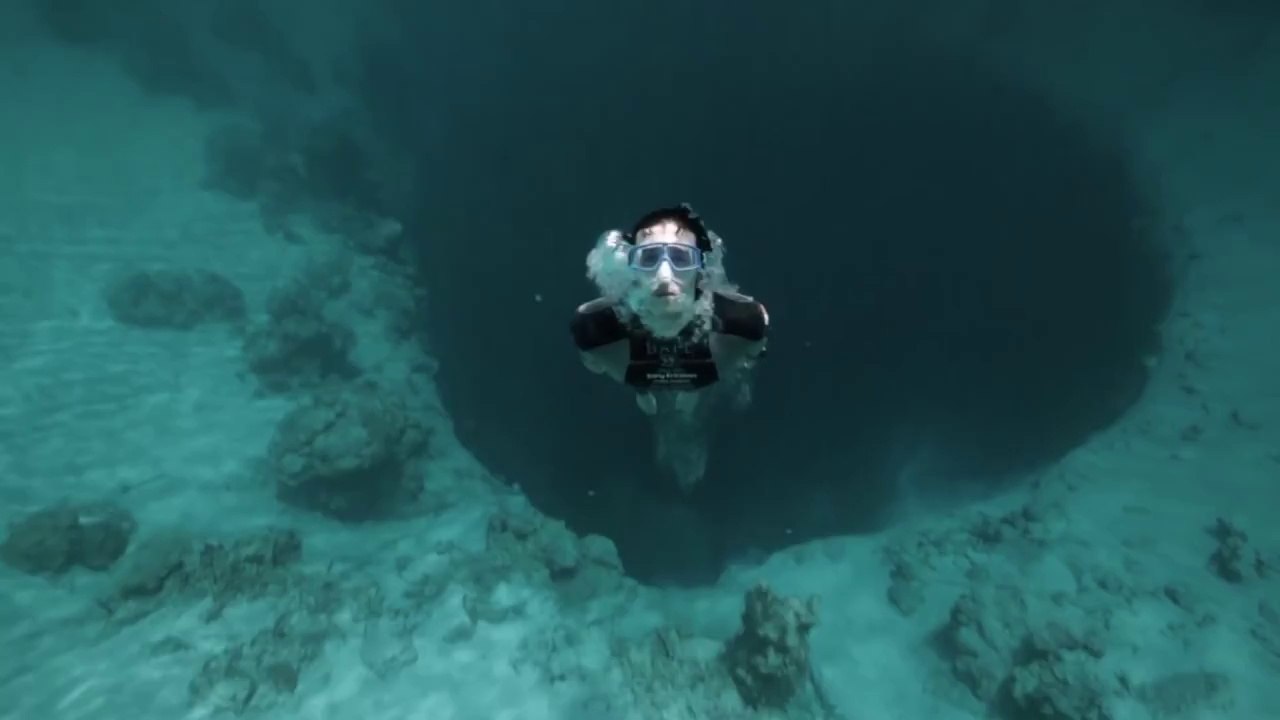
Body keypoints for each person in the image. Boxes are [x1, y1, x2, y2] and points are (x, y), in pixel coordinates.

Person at [569, 204, 769, 492]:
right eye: (649, 258)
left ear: (699, 270)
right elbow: (753, 351)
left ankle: (668, 392)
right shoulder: (594, 328)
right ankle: (650, 391)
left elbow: (754, 347)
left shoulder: (744, 320)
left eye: (681, 257)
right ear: (632, 269)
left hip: (681, 373)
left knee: (688, 386)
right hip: (660, 373)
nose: (664, 274)